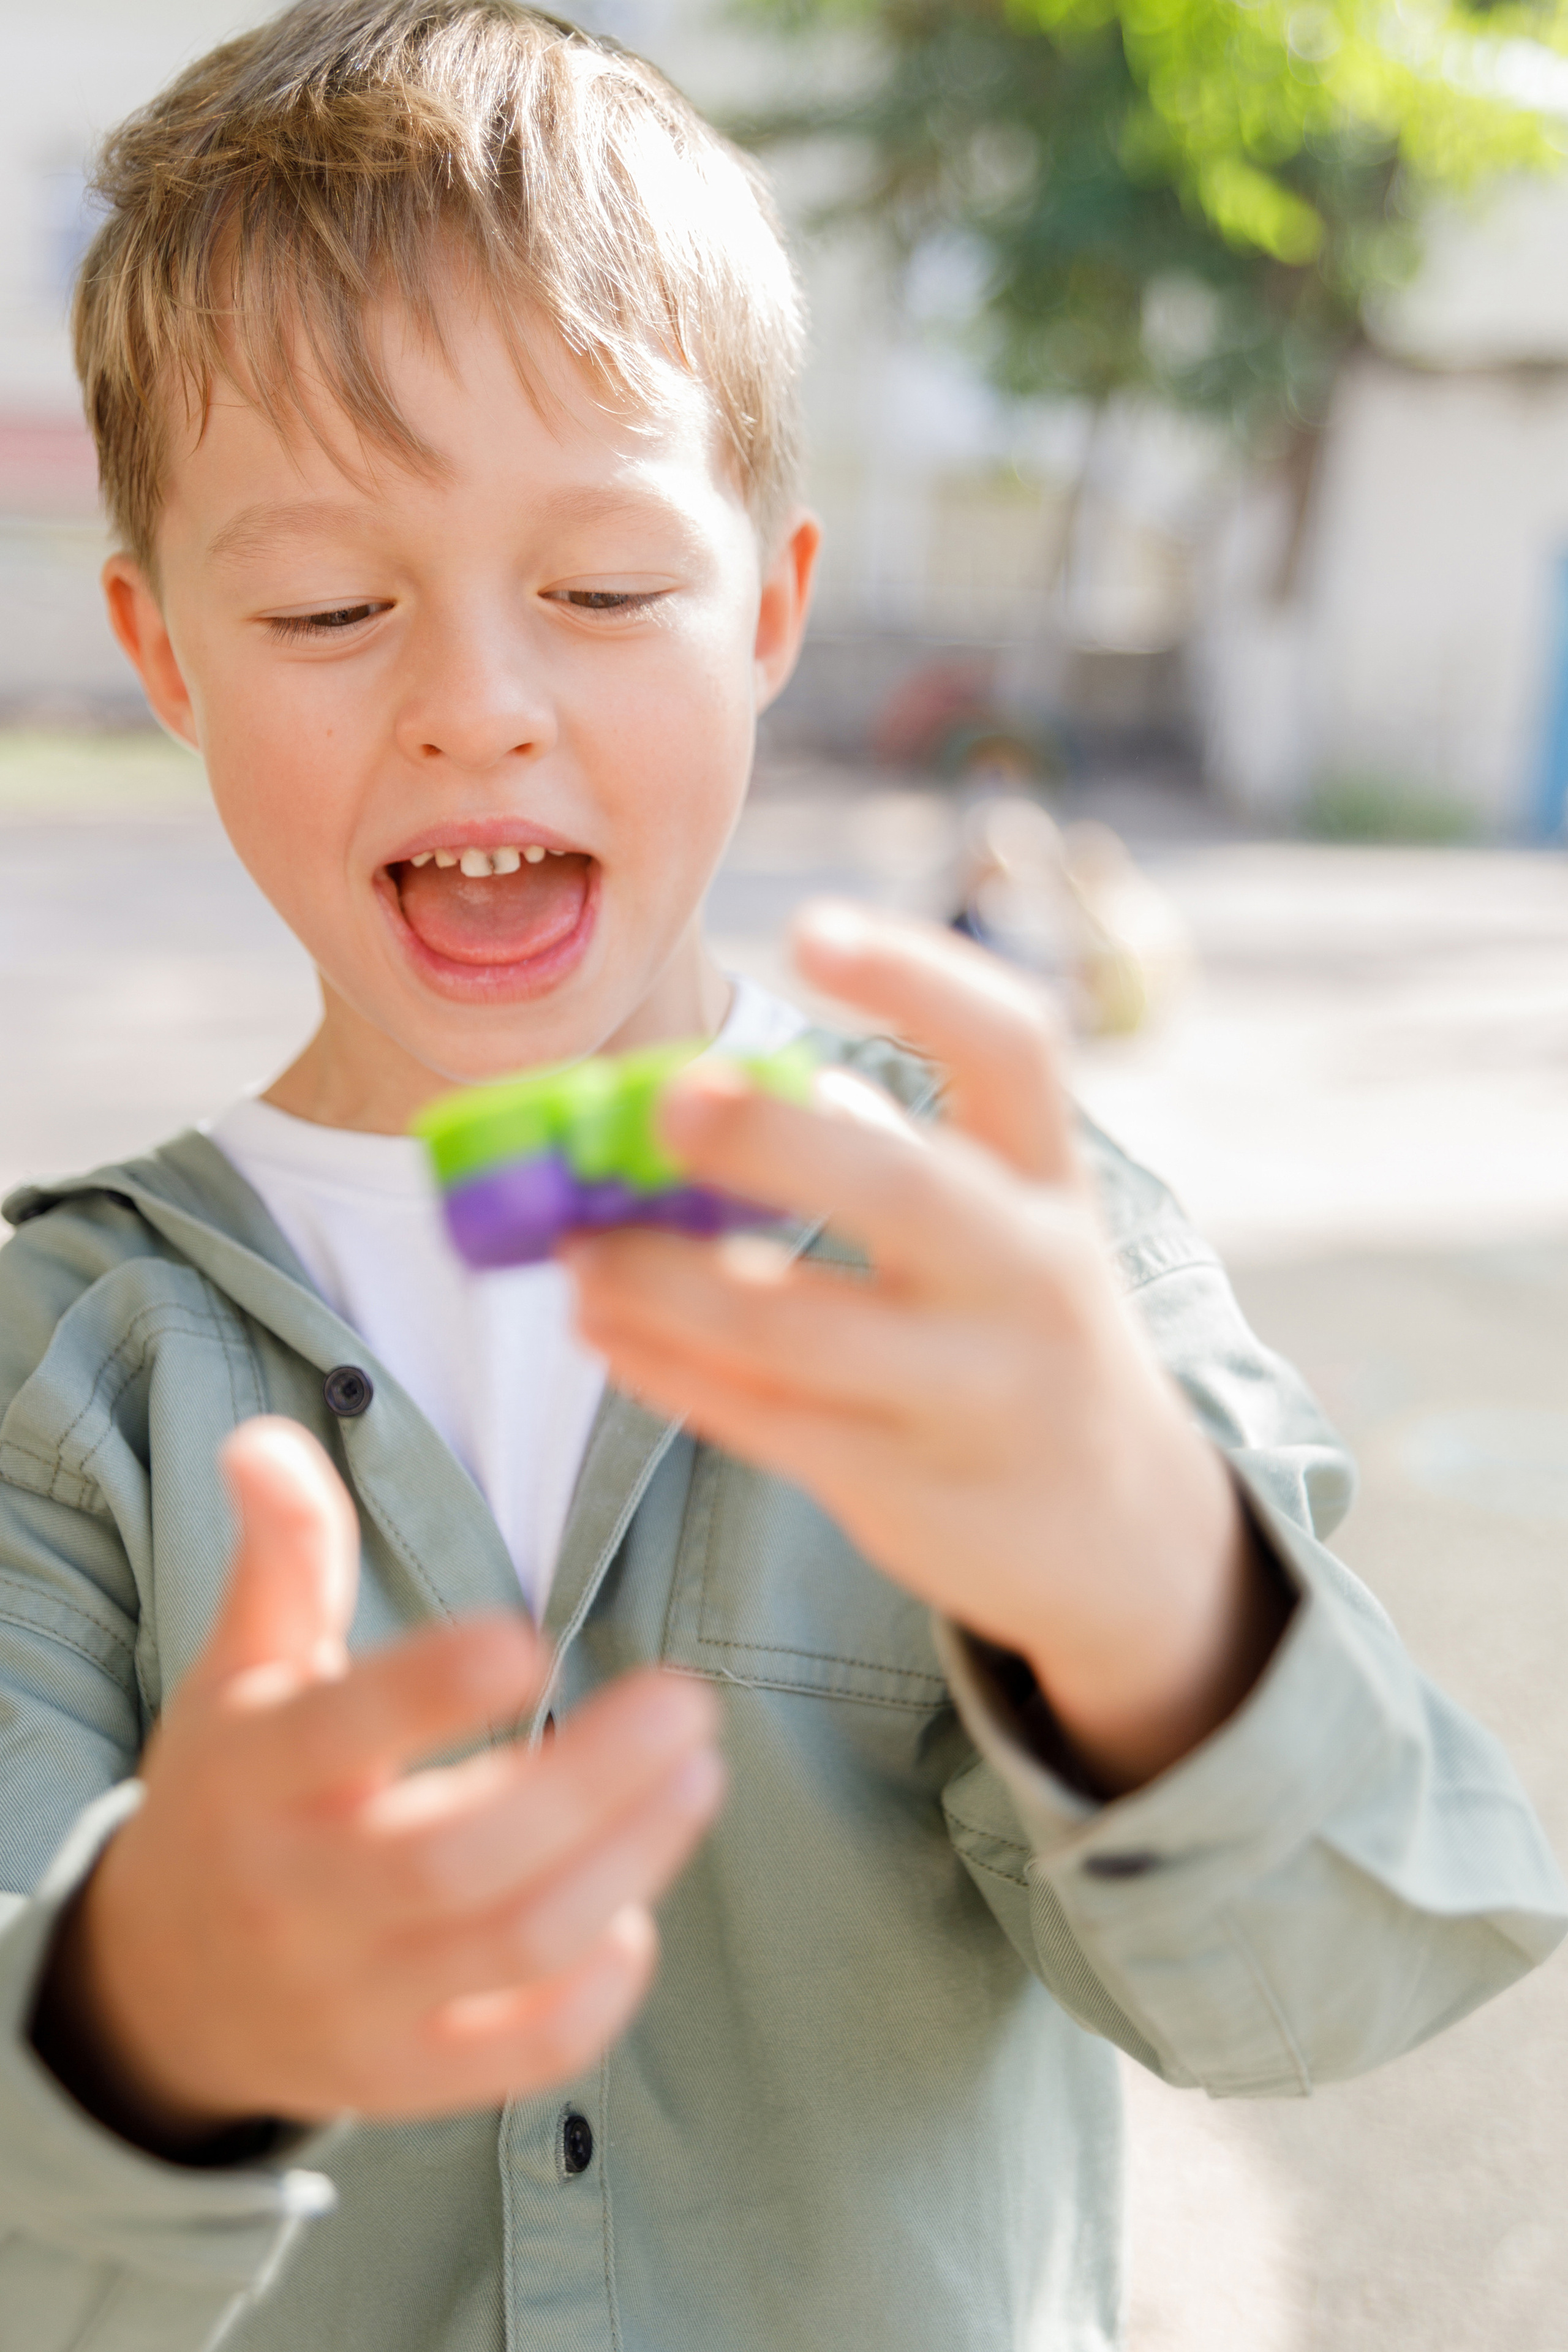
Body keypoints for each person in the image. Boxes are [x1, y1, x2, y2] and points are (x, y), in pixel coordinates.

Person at [0, 5, 1560, 2347]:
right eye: (330, 605)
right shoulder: (65, 1376)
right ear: (168, 654)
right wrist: (143, 2025)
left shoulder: (1012, 1260)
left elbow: (1329, 1981)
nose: (477, 701)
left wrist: (1145, 1604)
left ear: (771, 610)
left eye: (608, 592)